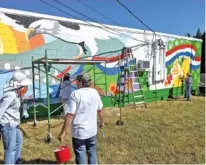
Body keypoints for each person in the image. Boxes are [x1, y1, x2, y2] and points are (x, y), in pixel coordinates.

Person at [58, 73, 104, 164]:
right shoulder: (94, 92)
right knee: (92, 152)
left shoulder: (75, 94)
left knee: (80, 154)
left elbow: (70, 115)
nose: (75, 83)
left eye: (77, 81)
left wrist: (63, 132)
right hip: (92, 131)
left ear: (80, 82)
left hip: (79, 133)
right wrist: (102, 122)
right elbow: (100, 110)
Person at [0, 71, 31, 164]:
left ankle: (15, 162)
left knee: (19, 140)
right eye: (25, 86)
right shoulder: (10, 95)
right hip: (8, 124)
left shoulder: (16, 94)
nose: (26, 88)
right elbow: (1, 109)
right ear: (19, 86)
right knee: (10, 149)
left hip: (14, 124)